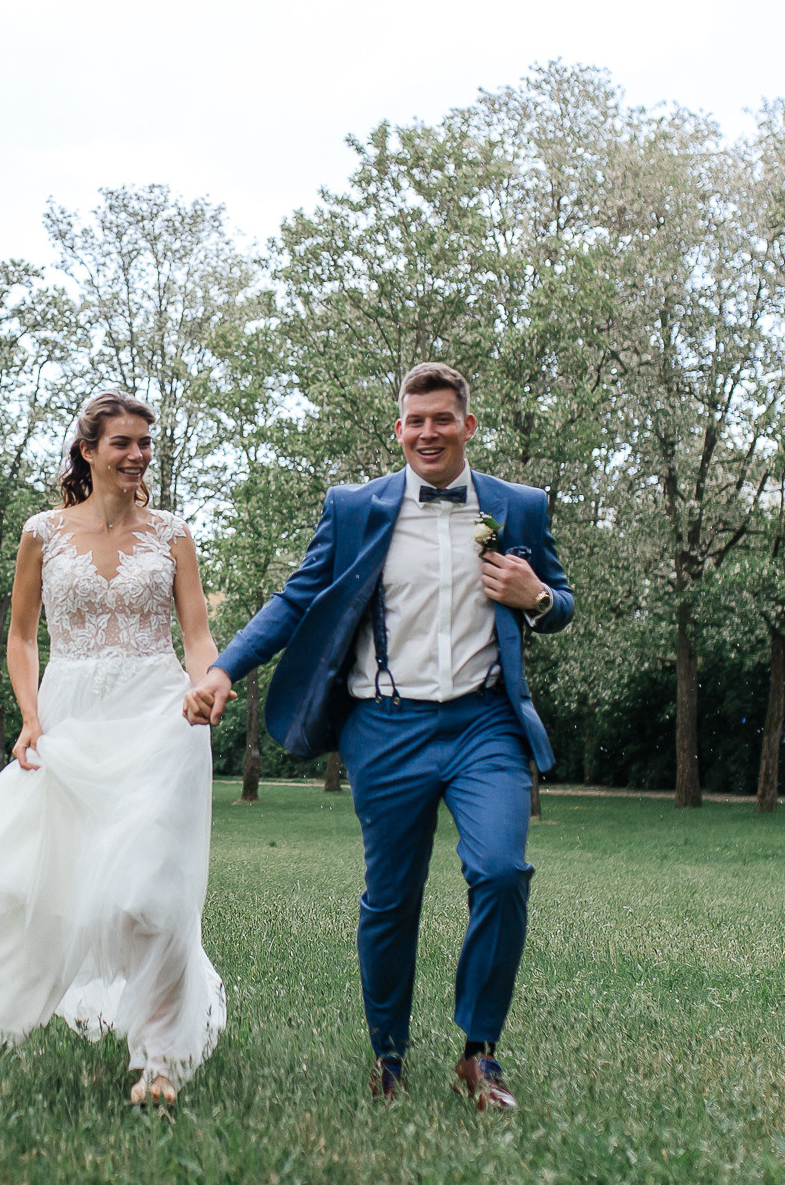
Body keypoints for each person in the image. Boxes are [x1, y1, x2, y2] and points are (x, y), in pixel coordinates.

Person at [184, 362, 573, 1111]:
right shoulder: (355, 507)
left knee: (500, 871)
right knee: (391, 898)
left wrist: (540, 596)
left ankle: (478, 1052)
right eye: (413, 420)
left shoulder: (518, 507)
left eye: (442, 418)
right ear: (398, 428)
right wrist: (226, 668)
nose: (427, 432)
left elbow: (560, 603)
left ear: (468, 424)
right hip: (386, 726)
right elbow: (298, 595)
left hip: (484, 722)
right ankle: (387, 1054)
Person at [0, 390, 226, 1108]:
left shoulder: (173, 534)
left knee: (151, 894)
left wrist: (207, 685)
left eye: (145, 444)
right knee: (54, 885)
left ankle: (160, 1058)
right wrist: (31, 717)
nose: (137, 456)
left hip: (162, 718)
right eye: (123, 442)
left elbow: (194, 634)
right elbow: (23, 636)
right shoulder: (42, 532)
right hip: (69, 717)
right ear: (88, 449)